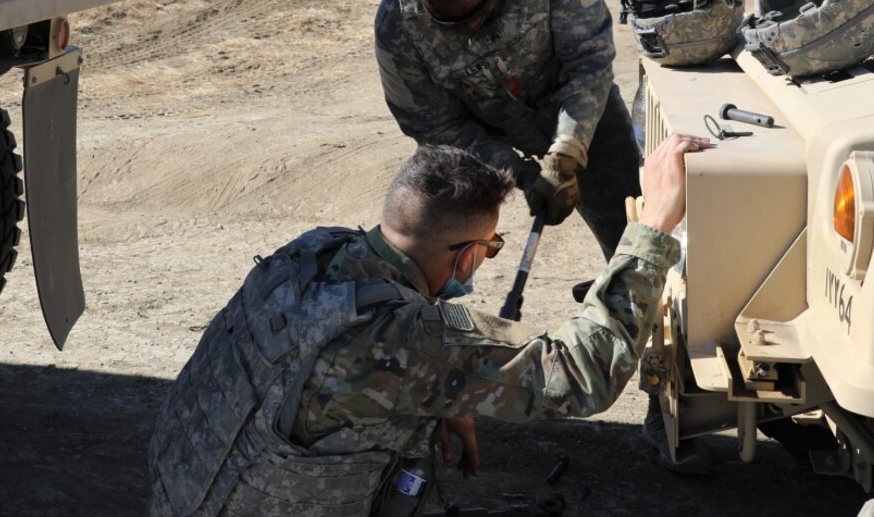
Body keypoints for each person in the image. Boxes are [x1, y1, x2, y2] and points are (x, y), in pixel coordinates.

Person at [148, 133, 708, 516]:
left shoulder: (316, 252)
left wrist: (449, 391)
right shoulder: (395, 344)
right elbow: (583, 371)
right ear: (465, 256)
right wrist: (654, 227)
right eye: (490, 249)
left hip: (186, 494)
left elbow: (414, 346)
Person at [374, 0, 640, 261]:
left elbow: (590, 57)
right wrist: (517, 173)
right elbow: (435, 125)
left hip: (579, 100)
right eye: (457, 25)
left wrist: (567, 149)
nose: (473, 29)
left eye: (482, 13)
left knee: (629, 222)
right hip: (486, 130)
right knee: (450, 238)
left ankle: (627, 295)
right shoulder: (397, 28)